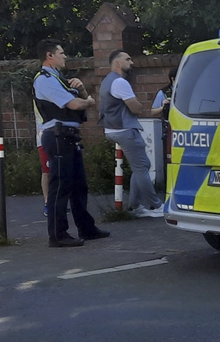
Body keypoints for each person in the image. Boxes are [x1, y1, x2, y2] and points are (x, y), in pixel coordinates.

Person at [33, 39, 109, 247]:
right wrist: (89, 101)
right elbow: (74, 104)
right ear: (50, 56)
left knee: (79, 185)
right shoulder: (44, 79)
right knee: (61, 186)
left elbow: (78, 100)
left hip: (68, 136)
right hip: (57, 136)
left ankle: (86, 228)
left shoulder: (61, 79)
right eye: (62, 53)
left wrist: (83, 90)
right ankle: (58, 235)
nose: (65, 56)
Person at [100, 50, 165, 217]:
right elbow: (136, 108)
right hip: (125, 130)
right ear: (117, 63)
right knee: (142, 168)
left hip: (112, 129)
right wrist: (141, 105)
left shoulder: (107, 81)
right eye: (127, 59)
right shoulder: (120, 82)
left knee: (141, 167)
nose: (132, 62)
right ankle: (156, 205)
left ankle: (134, 206)